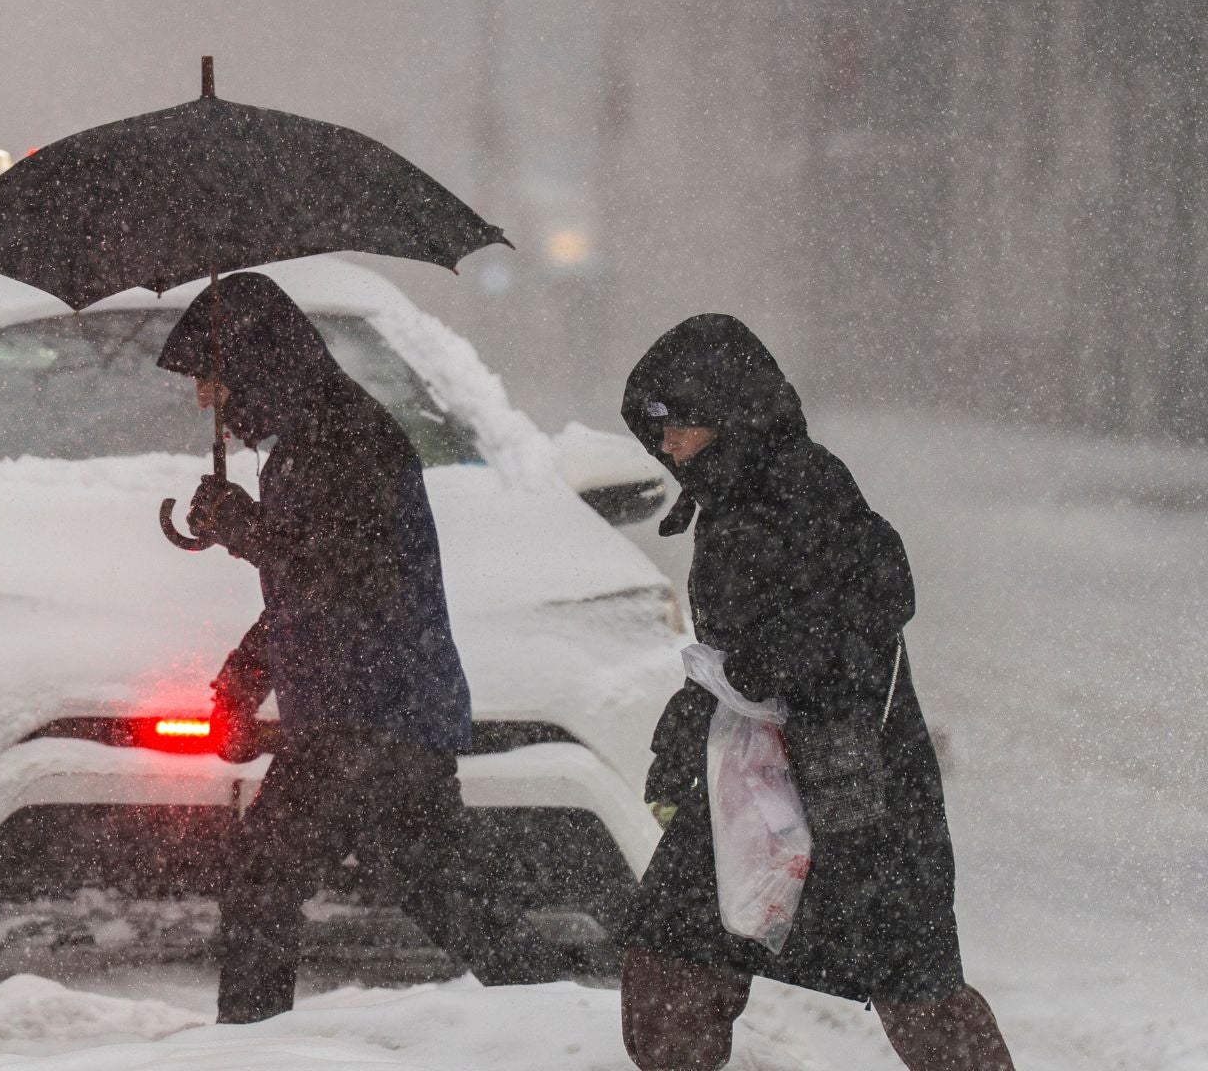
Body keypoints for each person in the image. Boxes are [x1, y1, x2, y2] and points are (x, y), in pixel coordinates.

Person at [157, 272, 561, 1025]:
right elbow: (308, 589)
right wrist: (242, 679)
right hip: (378, 709)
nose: (203, 398)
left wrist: (242, 528)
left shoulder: (348, 439)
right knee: (442, 889)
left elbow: (346, 572)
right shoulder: (312, 439)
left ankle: (253, 1050)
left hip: (371, 710)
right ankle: (563, 1021)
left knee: (262, 877)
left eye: (210, 377)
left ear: (253, 365)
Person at [617, 314, 1015, 1070]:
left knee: (917, 989)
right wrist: (703, 712)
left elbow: (880, 593)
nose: (666, 446)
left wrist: (781, 659)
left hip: (855, 787)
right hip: (761, 780)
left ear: (728, 413)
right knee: (671, 961)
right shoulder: (732, 494)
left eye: (677, 426)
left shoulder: (803, 485)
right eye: (655, 429)